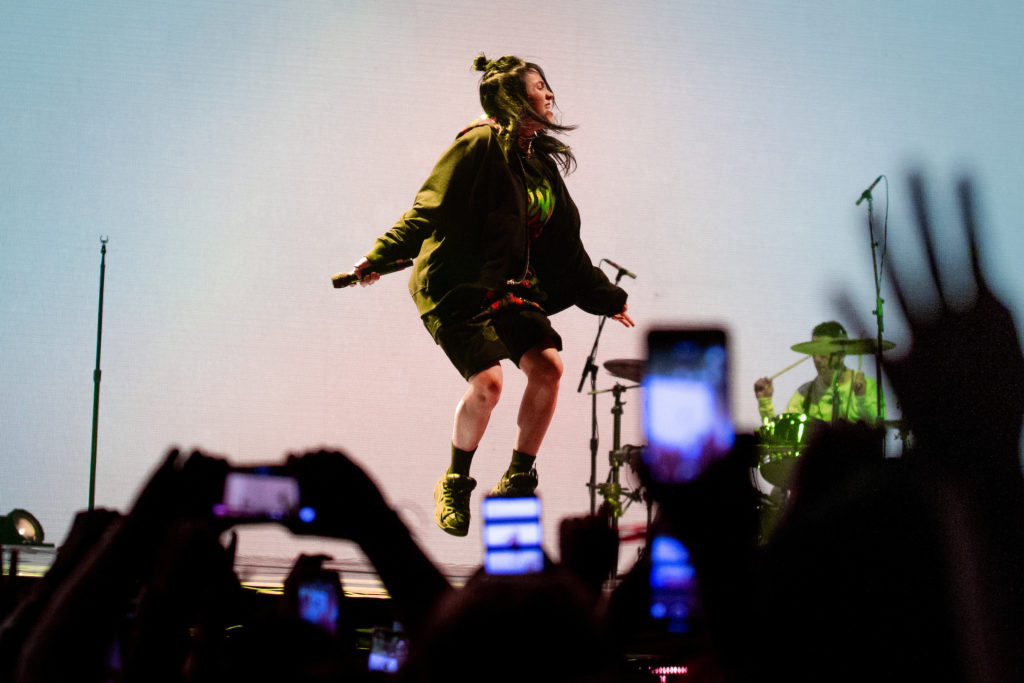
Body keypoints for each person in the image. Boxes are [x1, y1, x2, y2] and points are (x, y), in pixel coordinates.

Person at [348, 54, 634, 537]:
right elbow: (427, 209)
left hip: (507, 288)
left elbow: (567, 247)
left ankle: (518, 474)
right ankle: (455, 481)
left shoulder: (539, 165)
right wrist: (379, 256)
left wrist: (609, 297)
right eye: (539, 86)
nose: (550, 94)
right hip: (456, 286)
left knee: (548, 367)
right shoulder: (479, 143)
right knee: (489, 383)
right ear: (515, 98)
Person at [753, 321, 878, 424]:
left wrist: (861, 398)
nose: (816, 359)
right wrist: (765, 403)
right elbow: (780, 436)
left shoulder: (869, 387)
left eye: (823, 351)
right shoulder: (804, 394)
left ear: (841, 354)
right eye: (814, 351)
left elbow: (875, 434)